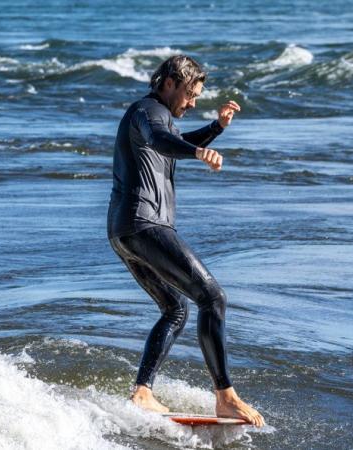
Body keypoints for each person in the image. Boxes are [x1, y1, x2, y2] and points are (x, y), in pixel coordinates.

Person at [107, 55, 265, 427]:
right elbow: (163, 140)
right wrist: (198, 152)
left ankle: (142, 391)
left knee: (175, 309)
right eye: (191, 93)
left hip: (126, 231)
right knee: (213, 298)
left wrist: (216, 128)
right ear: (169, 83)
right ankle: (226, 397)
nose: (193, 102)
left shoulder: (154, 116)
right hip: (146, 226)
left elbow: (173, 140)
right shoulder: (147, 111)